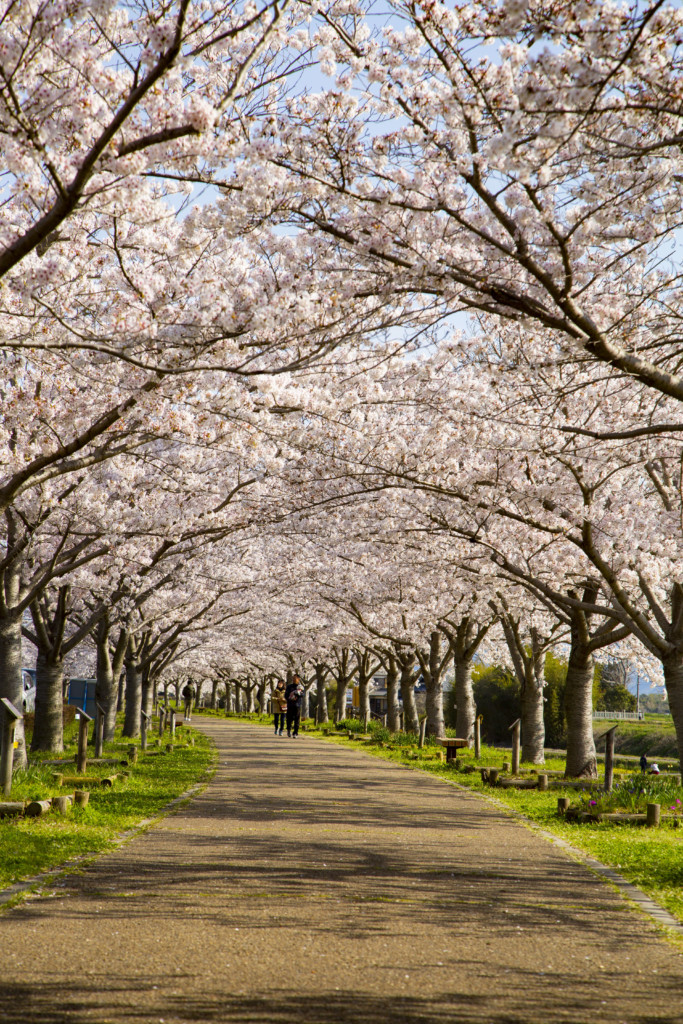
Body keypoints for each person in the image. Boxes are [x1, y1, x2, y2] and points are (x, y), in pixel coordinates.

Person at [285, 674, 304, 738]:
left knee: (297, 719)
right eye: (293, 678)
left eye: (295, 678)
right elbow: (286, 695)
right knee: (289, 718)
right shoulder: (289, 687)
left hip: (297, 705)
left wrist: (297, 694)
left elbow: (302, 695)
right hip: (290, 705)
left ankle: (295, 732)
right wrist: (290, 698)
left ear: (298, 679)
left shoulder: (300, 687)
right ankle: (289, 729)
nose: (294, 680)